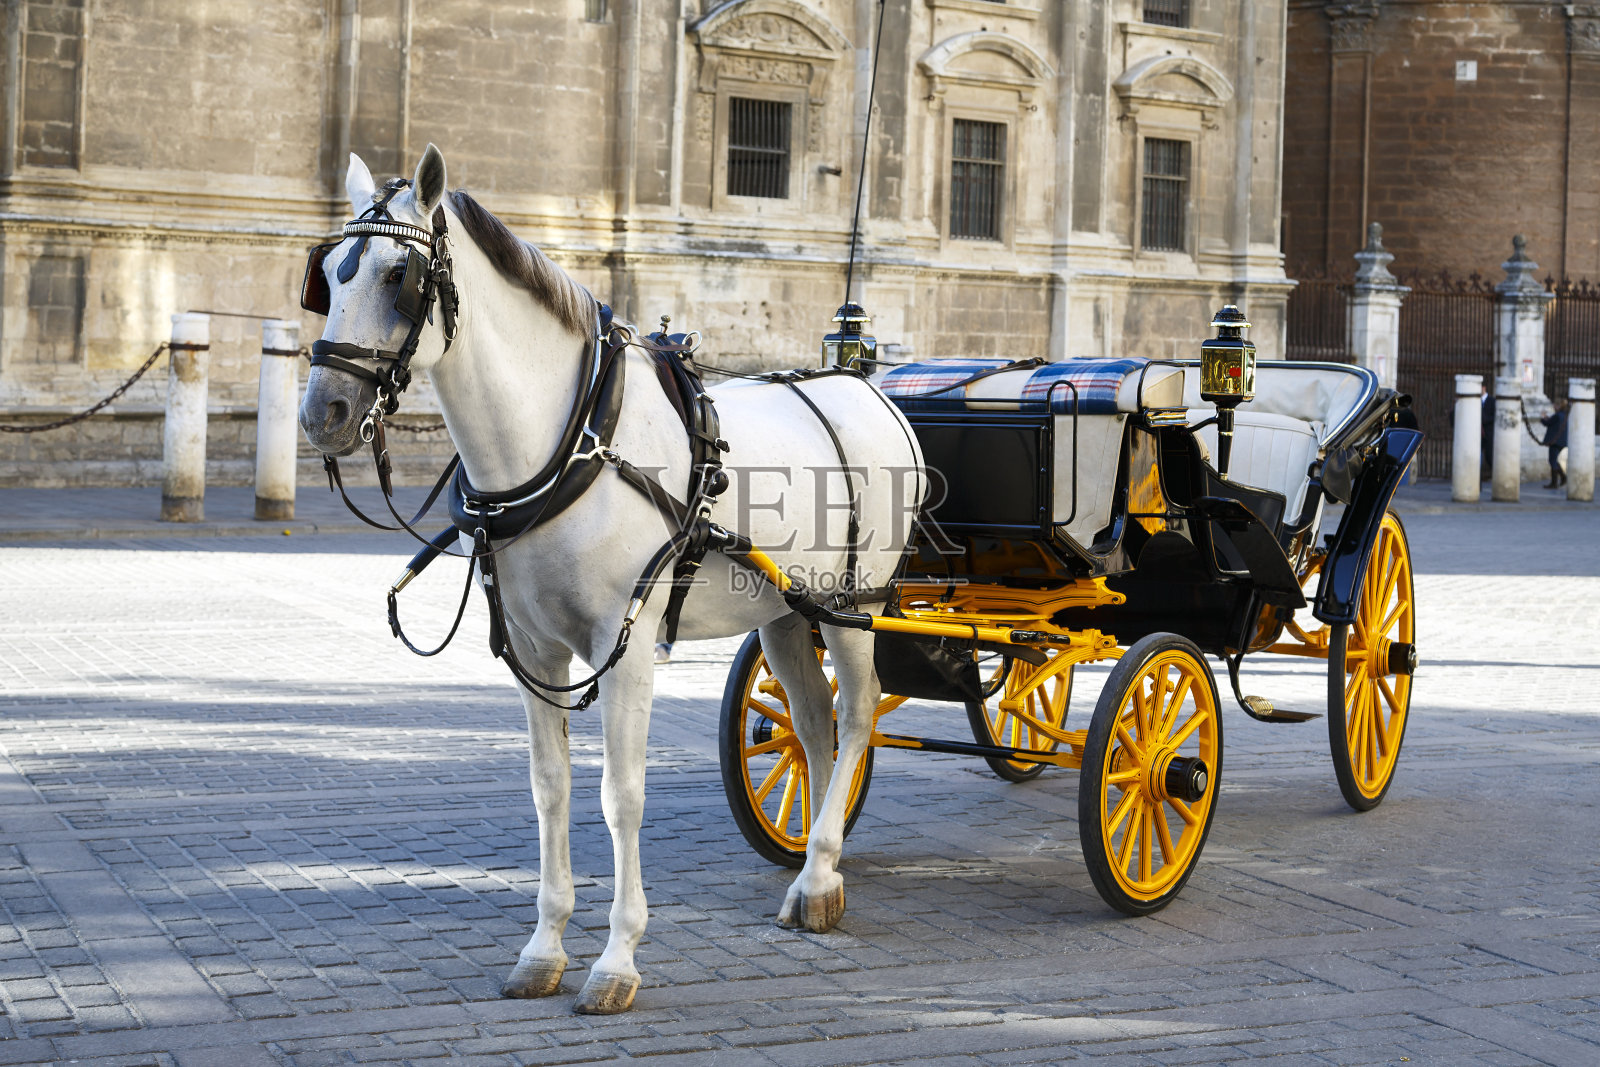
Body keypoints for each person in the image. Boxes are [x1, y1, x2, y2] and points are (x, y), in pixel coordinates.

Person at [1541, 399, 1570, 488]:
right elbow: (1553, 423)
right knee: (1554, 460)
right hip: (1561, 441)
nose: (1554, 406)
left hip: (1555, 442)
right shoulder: (1564, 415)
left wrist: (1542, 417)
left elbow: (1547, 423)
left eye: (1555, 405)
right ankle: (1563, 477)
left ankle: (1556, 482)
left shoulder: (1557, 415)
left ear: (1559, 406)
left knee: (1552, 460)